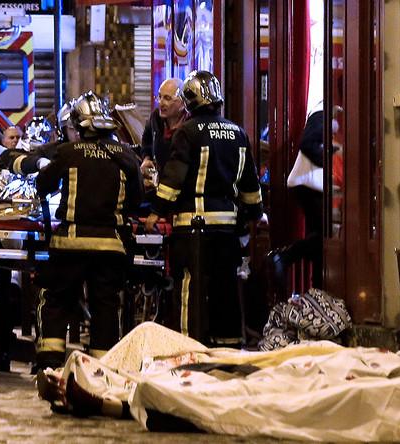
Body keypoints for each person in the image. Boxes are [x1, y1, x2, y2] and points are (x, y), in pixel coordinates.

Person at [145, 70, 263, 347]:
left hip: (194, 229)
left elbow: (173, 179)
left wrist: (156, 212)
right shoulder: (238, 133)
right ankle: (228, 348)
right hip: (228, 230)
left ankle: (190, 347)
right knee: (225, 288)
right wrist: (255, 214)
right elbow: (250, 185)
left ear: (188, 101)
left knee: (190, 288)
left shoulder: (187, 132)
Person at [33, 91, 144, 371]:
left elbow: (43, 185)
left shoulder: (68, 152)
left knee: (55, 299)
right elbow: (136, 200)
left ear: (79, 125)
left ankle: (50, 363)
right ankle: (101, 368)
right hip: (111, 247)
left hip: (71, 245)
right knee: (105, 305)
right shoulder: (126, 155)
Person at [268, 106, 325, 297]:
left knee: (321, 238)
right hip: (310, 186)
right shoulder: (322, 113)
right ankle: (286, 256)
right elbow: (307, 144)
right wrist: (333, 156)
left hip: (312, 186)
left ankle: (316, 287)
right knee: (324, 238)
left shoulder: (325, 113)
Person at [140, 77, 187, 191]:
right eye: (159, 96)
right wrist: (146, 158)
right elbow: (146, 141)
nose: (160, 103)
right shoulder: (156, 117)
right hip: (160, 185)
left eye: (167, 98)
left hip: (184, 187)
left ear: (182, 103)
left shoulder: (191, 125)